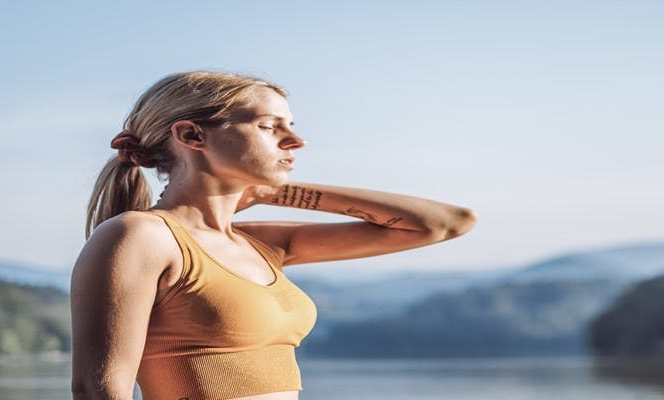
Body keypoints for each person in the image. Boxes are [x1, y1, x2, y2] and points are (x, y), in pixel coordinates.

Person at [69, 71, 477, 399]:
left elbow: (444, 223)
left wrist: (276, 191)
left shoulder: (260, 245)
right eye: (269, 126)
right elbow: (99, 390)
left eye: (291, 125)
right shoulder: (142, 236)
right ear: (192, 136)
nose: (295, 140)